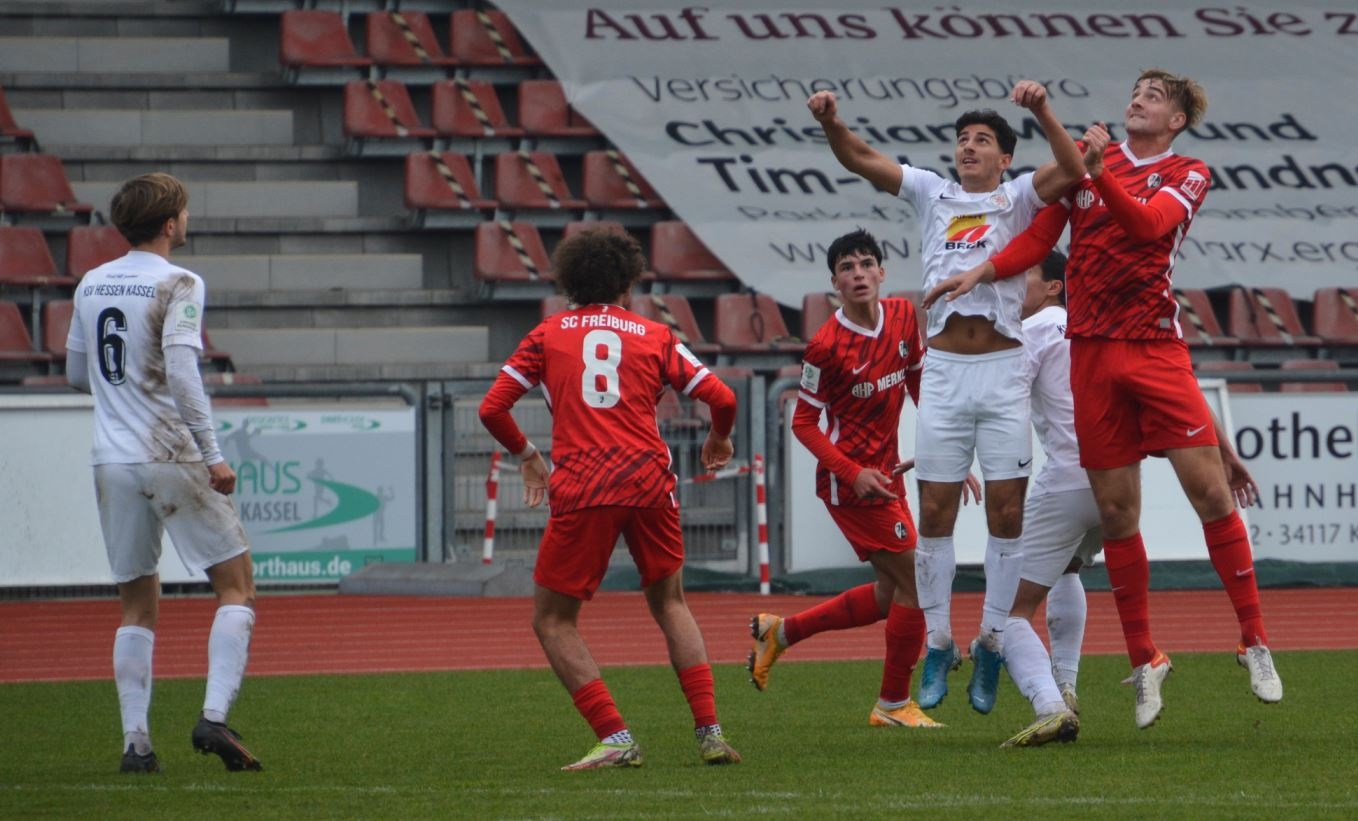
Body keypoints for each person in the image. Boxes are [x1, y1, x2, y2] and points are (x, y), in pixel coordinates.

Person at [925, 68, 1283, 729]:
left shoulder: (1189, 169)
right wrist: (983, 268)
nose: (1135, 100)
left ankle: (1253, 638)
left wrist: (1069, 144)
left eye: (1151, 96)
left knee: (1210, 493)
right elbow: (1040, 238)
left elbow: (1146, 226)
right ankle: (1146, 656)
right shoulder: (1093, 162)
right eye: (1135, 92)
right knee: (1118, 514)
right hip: (1092, 351)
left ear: (1175, 118)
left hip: (1153, 346)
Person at [805, 81, 1086, 714]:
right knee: (933, 517)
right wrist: (832, 121)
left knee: (1005, 519)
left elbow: (1072, 169)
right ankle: (938, 643)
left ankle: (989, 641)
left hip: (1005, 369)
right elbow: (861, 159)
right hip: (947, 374)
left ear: (1005, 158)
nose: (968, 148)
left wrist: (1042, 111)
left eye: (983, 141)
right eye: (962, 140)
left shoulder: (1017, 196)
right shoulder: (932, 191)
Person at [478, 228, 741, 770]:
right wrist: (718, 437)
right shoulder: (654, 334)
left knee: (553, 620)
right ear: (627, 286)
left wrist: (529, 455)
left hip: (585, 485)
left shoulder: (547, 335)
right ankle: (710, 732)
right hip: (649, 481)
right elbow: (722, 396)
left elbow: (492, 409)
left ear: (569, 285)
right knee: (671, 603)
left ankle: (615, 737)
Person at [66, 172, 262, 773]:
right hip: (170, 450)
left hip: (111, 457)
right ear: (171, 222)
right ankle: (214, 718)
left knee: (137, 604)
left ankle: (136, 745)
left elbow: (79, 373)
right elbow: (182, 373)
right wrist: (212, 452)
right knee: (236, 586)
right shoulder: (180, 281)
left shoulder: (92, 282)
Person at [747, 229, 939, 729]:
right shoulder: (825, 347)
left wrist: (945, 449)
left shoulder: (902, 315)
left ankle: (781, 633)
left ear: (881, 272)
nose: (858, 274)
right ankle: (893, 705)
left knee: (889, 593)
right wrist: (852, 474)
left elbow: (917, 380)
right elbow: (803, 422)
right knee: (917, 581)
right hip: (851, 485)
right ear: (834, 282)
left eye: (865, 264)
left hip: (889, 475)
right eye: (847, 268)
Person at [997, 251, 1100, 748]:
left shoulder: (1036, 331)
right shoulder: (1094, 324)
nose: (1016, 289)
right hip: (1118, 481)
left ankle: (1050, 706)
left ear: (1054, 288)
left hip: (1068, 479)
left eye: (1025, 279)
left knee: (1007, 614)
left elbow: (1001, 399)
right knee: (1069, 569)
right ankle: (1066, 683)